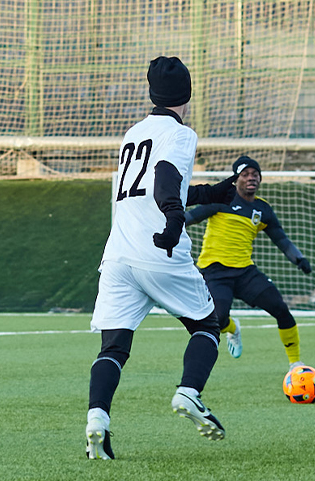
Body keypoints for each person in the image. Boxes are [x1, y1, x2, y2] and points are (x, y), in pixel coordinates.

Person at [85, 56, 239, 460]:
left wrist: (211, 193)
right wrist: (173, 221)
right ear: (188, 94)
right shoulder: (181, 134)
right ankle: (189, 393)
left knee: (113, 348)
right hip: (159, 251)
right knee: (207, 325)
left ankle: (97, 420)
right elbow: (166, 179)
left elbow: (153, 186)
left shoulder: (133, 133)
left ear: (152, 92)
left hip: (118, 255)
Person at [184, 156, 313, 371]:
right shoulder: (221, 199)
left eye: (255, 174)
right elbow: (191, 217)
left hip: (245, 272)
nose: (251, 178)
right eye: (245, 174)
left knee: (281, 310)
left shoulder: (263, 209)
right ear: (236, 179)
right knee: (218, 319)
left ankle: (296, 363)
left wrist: (299, 259)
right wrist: (170, 224)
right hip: (215, 271)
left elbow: (281, 239)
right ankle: (233, 329)